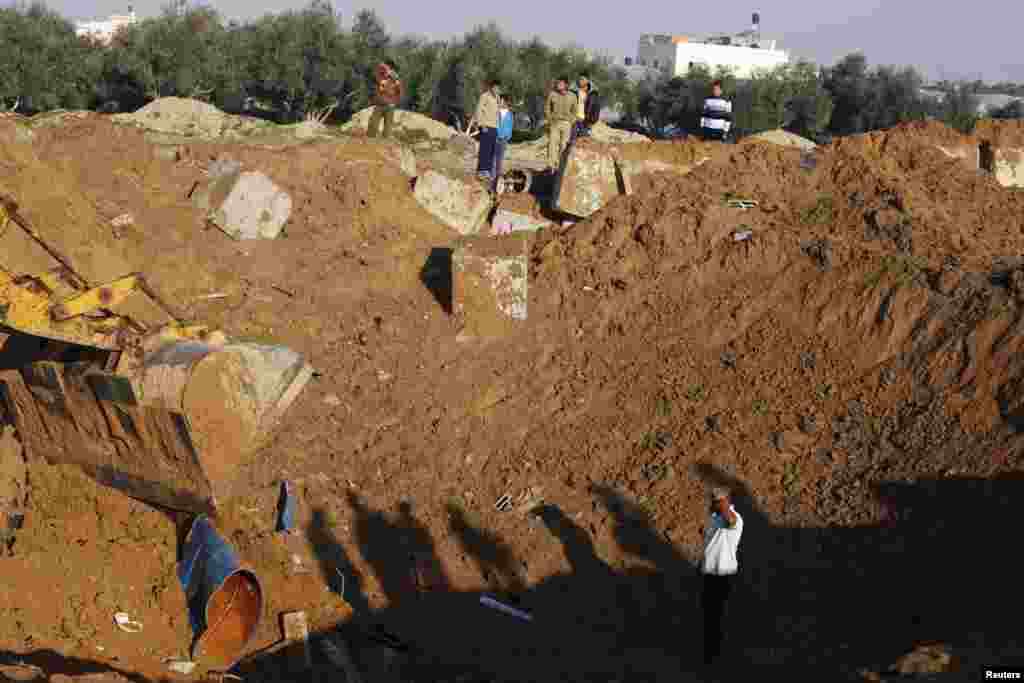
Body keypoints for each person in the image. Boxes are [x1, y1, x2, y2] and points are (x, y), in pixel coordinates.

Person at [701, 486, 743, 666]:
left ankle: (715, 656)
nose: (713, 502)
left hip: (722, 575)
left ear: (726, 501)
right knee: (710, 615)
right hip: (709, 573)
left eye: (717, 500)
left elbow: (731, 521)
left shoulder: (734, 518)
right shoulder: (715, 518)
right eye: (712, 499)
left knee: (717, 616)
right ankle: (713, 651)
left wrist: (722, 505)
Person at [468, 79, 502, 182]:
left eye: (498, 88)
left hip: (495, 127)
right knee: (484, 150)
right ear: (491, 87)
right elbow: (478, 110)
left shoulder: (498, 98)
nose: (497, 89)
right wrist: (480, 125)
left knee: (491, 150)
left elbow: (498, 113)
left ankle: (487, 171)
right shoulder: (484, 96)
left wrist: (499, 126)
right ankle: (481, 171)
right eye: (495, 87)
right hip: (486, 126)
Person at [545, 76, 577, 172]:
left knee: (564, 145)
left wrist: (571, 121)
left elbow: (575, 111)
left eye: (560, 83)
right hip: (554, 123)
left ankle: (560, 166)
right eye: (557, 83)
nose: (558, 85)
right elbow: (547, 108)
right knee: (552, 144)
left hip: (567, 124)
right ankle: (550, 166)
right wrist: (550, 120)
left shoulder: (572, 96)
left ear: (566, 85)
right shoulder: (552, 94)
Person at [368, 60, 403, 139]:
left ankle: (384, 142)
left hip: (389, 105)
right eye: (380, 68)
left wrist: (397, 100)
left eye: (383, 68)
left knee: (387, 127)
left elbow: (398, 89)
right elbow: (377, 85)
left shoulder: (394, 77)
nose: (381, 69)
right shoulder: (379, 76)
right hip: (380, 104)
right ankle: (371, 141)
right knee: (373, 125)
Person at [491, 95, 514, 192]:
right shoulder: (496, 113)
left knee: (500, 159)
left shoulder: (510, 114)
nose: (499, 102)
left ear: (505, 102)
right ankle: (492, 178)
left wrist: (507, 137)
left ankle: (497, 178)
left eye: (501, 100)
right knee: (493, 158)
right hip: (495, 137)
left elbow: (510, 126)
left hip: (503, 140)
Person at [569, 72, 602, 140]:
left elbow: (596, 109)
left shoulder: (593, 95)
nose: (580, 81)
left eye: (582, 79)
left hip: (585, 122)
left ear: (587, 81)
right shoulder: (573, 92)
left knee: (583, 138)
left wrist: (591, 122)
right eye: (579, 79)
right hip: (574, 120)